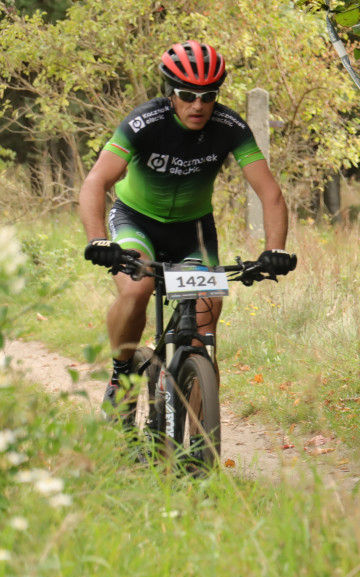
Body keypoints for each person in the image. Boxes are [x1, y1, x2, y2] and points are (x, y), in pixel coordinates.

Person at [78, 40, 296, 416]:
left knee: (206, 329)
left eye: (208, 96)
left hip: (193, 232)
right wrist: (98, 239)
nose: (198, 105)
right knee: (137, 288)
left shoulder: (230, 127)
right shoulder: (143, 122)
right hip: (136, 220)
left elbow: (270, 193)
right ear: (170, 94)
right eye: (187, 94)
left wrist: (273, 249)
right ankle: (120, 376)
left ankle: (197, 437)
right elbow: (96, 182)